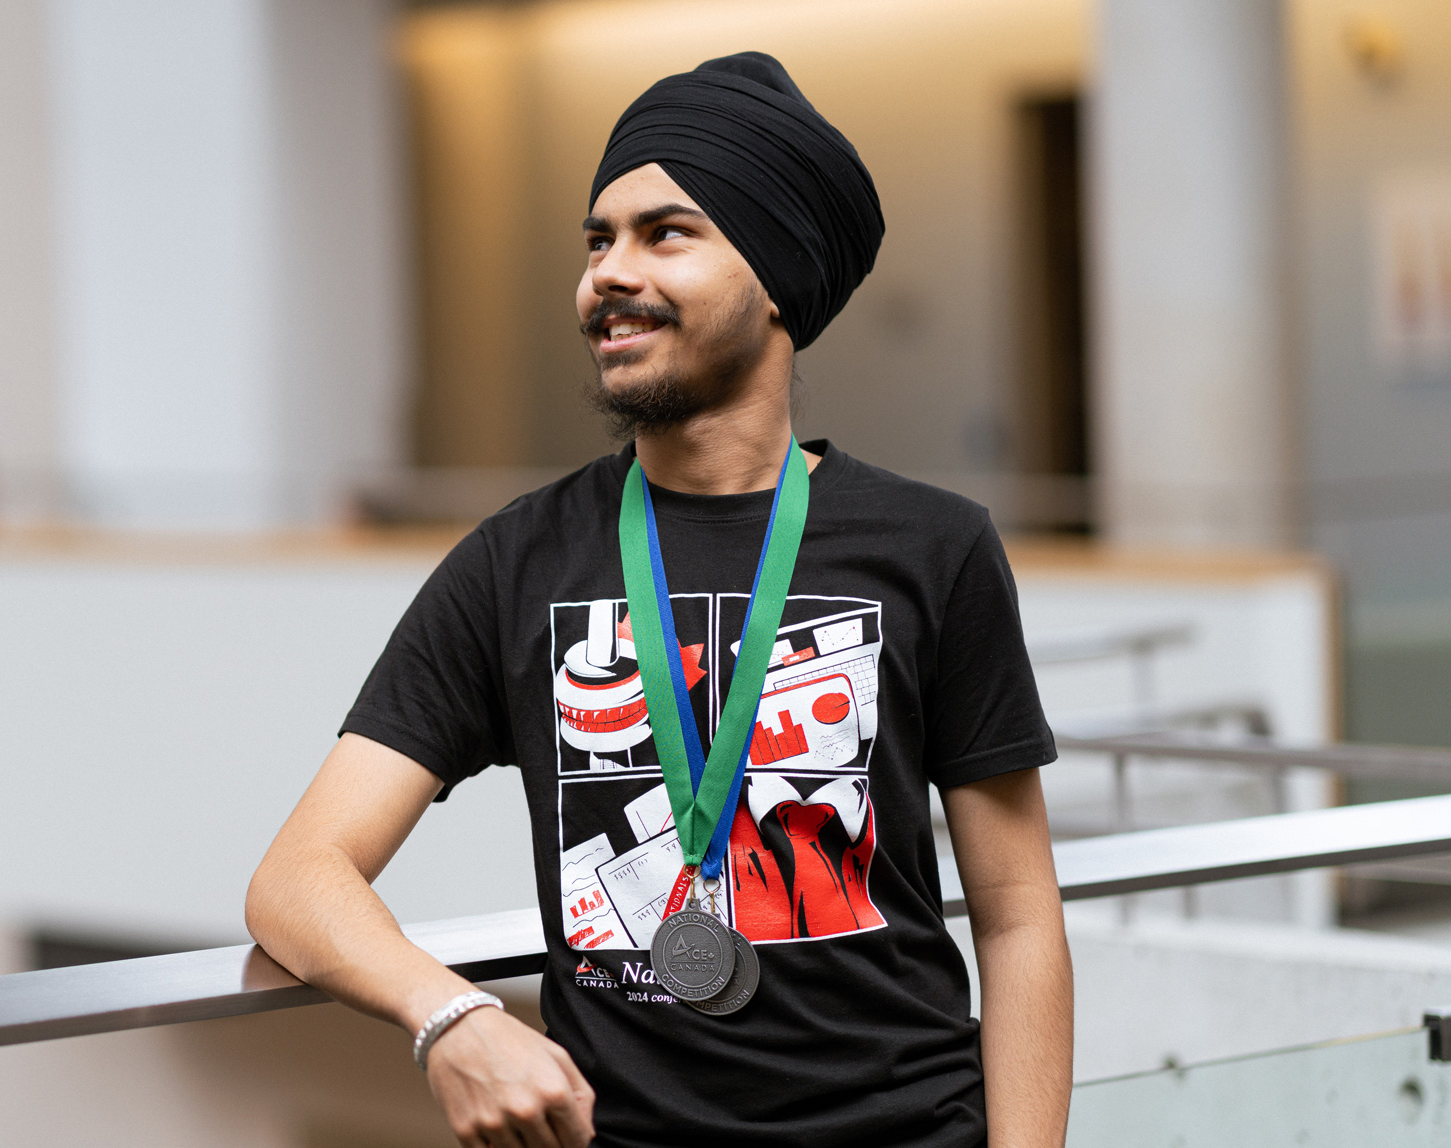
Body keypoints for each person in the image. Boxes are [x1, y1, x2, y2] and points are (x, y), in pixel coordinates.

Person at [247, 51, 1072, 1148]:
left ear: (776, 276)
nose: (606, 274)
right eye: (598, 239)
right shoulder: (517, 563)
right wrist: (451, 1014)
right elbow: (298, 876)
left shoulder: (935, 547)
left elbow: (1018, 921)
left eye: (663, 233)